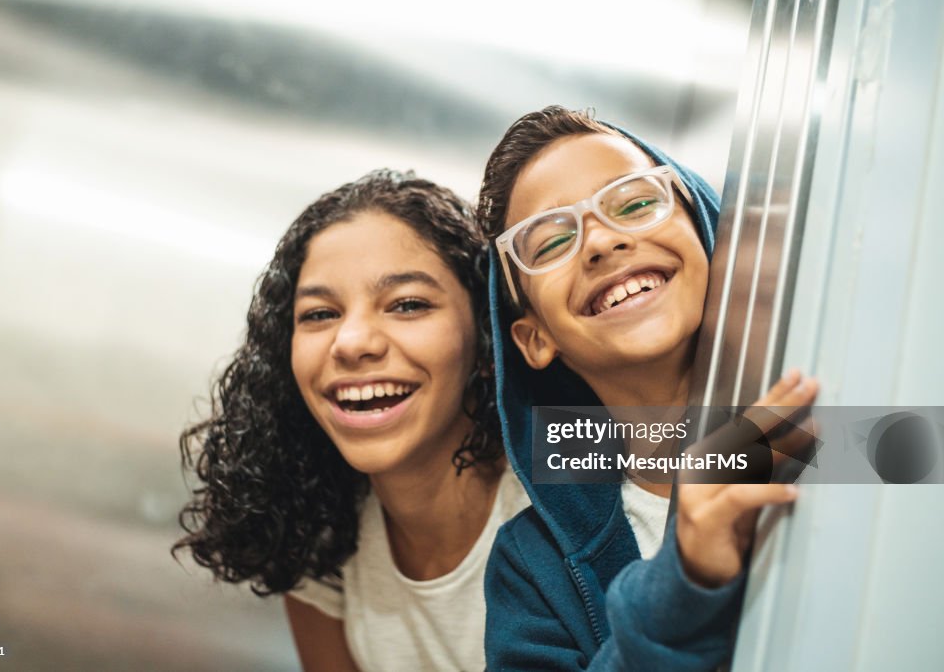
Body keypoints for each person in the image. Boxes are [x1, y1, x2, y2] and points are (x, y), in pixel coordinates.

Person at [476, 106, 819, 670]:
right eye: (551, 242)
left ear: (706, 234)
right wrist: (680, 587)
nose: (601, 243)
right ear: (535, 338)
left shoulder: (834, 412)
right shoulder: (531, 571)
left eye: (635, 203)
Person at [173, 169, 528, 671]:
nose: (353, 342)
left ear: (487, 336)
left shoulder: (575, 467)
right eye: (320, 314)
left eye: (407, 305)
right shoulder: (315, 531)